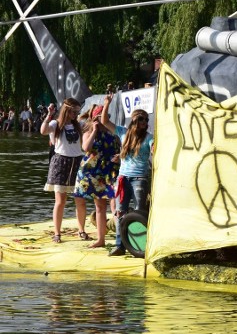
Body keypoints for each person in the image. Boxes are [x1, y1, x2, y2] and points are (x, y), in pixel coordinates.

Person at [101, 97, 154, 256]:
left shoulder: (149, 137)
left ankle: (139, 245)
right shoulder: (123, 133)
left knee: (139, 212)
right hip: (123, 178)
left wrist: (154, 149)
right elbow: (105, 121)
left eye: (146, 119)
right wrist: (107, 104)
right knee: (120, 211)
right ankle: (120, 245)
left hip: (139, 178)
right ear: (134, 120)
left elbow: (153, 147)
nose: (145, 122)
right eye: (141, 119)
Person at [40, 98, 87, 243]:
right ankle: (57, 233)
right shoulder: (56, 124)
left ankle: (82, 231)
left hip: (77, 162)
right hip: (61, 162)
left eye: (77, 112)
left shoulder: (79, 125)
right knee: (60, 201)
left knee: (80, 200)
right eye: (73, 111)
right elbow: (43, 131)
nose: (75, 114)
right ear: (67, 110)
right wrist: (49, 115)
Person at [74, 105, 121, 248]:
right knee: (99, 205)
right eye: (102, 116)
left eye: (107, 116)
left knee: (114, 202)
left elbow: (121, 147)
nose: (106, 119)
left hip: (109, 170)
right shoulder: (89, 130)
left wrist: (120, 156)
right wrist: (94, 130)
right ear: (95, 117)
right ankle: (101, 239)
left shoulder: (112, 131)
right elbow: (86, 148)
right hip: (92, 172)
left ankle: (120, 236)